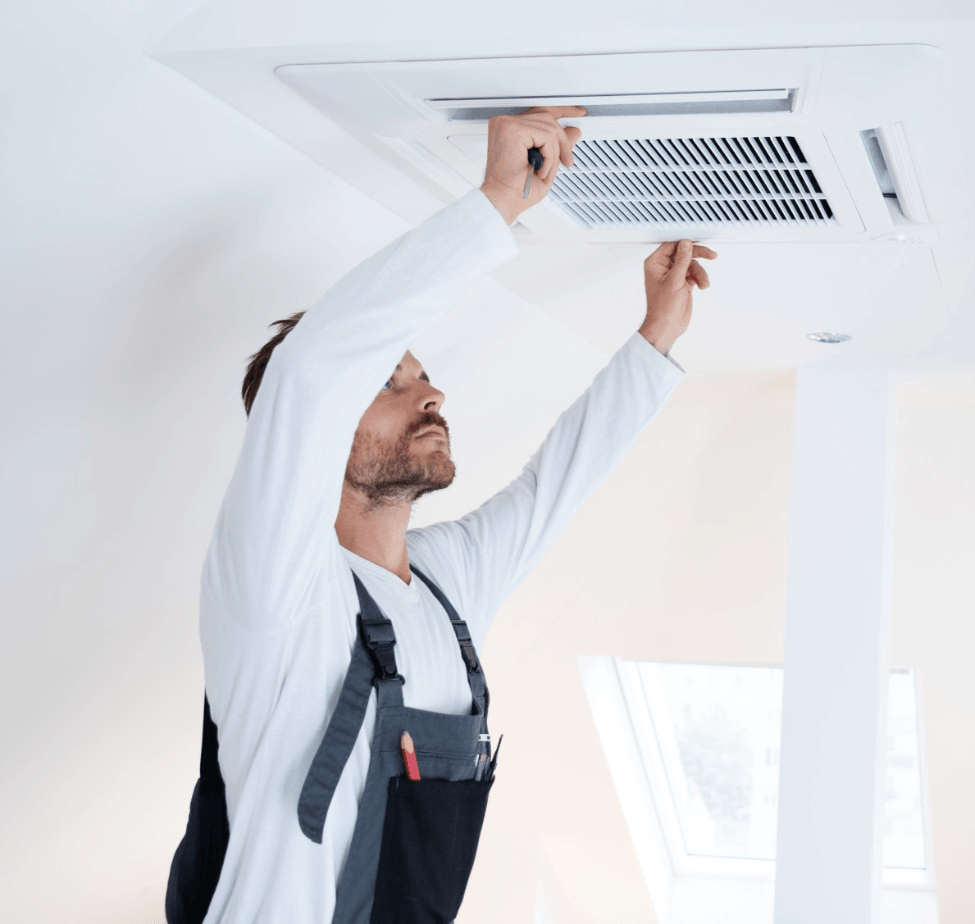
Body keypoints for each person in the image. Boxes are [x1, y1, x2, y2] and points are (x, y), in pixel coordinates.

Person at [175, 106, 716, 923]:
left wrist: (655, 338)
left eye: (420, 377)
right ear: (315, 438)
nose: (430, 393)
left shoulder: (445, 585)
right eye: (388, 381)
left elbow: (554, 487)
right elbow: (310, 373)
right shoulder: (273, 592)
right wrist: (495, 200)